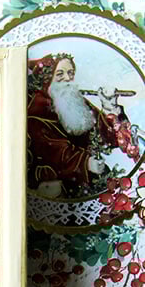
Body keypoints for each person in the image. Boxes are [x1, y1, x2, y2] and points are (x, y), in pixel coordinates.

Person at [27, 53, 132, 198]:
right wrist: (86, 162)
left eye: (70, 73)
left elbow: (105, 135)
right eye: (60, 74)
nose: (67, 78)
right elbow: (53, 151)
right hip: (60, 189)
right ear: (47, 79)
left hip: (93, 181)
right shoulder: (38, 112)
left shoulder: (73, 99)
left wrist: (110, 106)